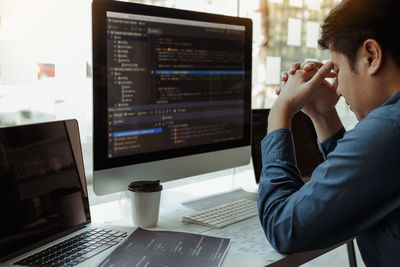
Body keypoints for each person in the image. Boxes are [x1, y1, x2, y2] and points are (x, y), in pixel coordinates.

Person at [257, 0, 400, 266]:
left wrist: (280, 112)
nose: (338, 89)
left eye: (338, 69)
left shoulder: (390, 128)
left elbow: (282, 225)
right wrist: (322, 114)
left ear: (371, 56)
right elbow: (360, 184)